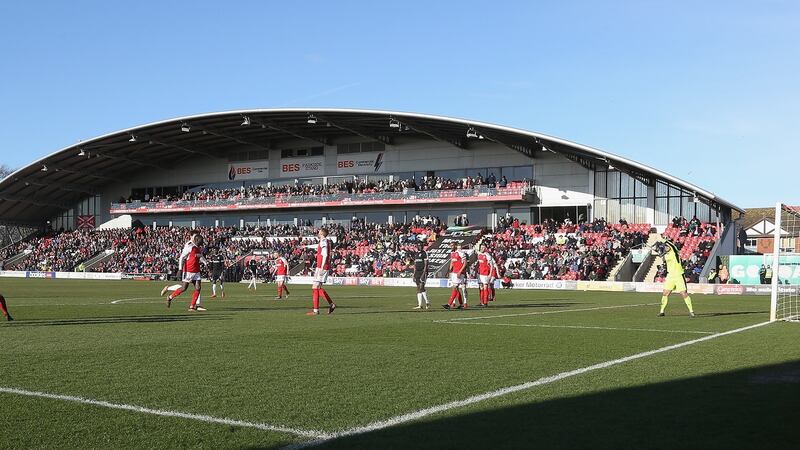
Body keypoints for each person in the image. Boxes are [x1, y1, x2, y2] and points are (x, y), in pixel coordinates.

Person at [161, 232, 208, 312]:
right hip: (188, 270)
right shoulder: (190, 246)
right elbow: (182, 257)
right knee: (184, 288)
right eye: (201, 241)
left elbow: (201, 257)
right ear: (196, 240)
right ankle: (170, 297)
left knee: (198, 287)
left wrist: (206, 263)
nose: (202, 242)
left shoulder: (198, 248)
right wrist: (180, 269)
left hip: (196, 270)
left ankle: (192, 306)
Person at [653, 239, 695, 317]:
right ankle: (662, 311)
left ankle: (691, 311)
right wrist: (659, 251)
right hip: (670, 276)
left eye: (667, 246)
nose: (667, 247)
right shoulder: (665, 255)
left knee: (683, 293)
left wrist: (664, 240)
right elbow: (661, 255)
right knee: (665, 293)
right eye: (665, 247)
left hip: (679, 275)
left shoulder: (674, 252)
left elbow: (672, 245)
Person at [308, 228, 336, 315]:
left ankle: (316, 310)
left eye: (319, 231)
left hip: (322, 267)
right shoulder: (325, 241)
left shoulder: (323, 241)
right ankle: (331, 304)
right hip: (322, 266)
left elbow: (325, 254)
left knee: (315, 287)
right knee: (317, 287)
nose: (317, 232)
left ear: (322, 233)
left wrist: (322, 266)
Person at [443, 242, 468, 310]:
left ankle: (449, 304)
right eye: (450, 246)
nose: (451, 247)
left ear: (456, 246)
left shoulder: (461, 253)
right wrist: (449, 271)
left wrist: (460, 271)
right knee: (456, 289)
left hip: (459, 273)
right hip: (454, 273)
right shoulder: (452, 253)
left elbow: (465, 263)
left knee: (455, 287)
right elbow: (452, 262)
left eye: (452, 246)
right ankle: (461, 304)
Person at [475, 243, 496, 307]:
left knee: (485, 287)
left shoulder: (487, 255)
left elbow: (492, 265)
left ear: (485, 248)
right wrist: (476, 270)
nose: (482, 248)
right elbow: (478, 263)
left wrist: (490, 274)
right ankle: (481, 302)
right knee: (481, 287)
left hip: (485, 273)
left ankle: (485, 302)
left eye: (483, 247)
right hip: (480, 273)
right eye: (481, 247)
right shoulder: (479, 254)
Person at [412, 242, 429, 310]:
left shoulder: (424, 253)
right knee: (418, 288)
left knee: (422, 287)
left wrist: (424, 273)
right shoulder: (416, 254)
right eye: (419, 246)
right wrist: (414, 274)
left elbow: (426, 264)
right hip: (417, 272)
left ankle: (427, 302)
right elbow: (415, 265)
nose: (420, 247)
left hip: (422, 272)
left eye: (421, 246)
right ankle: (420, 305)